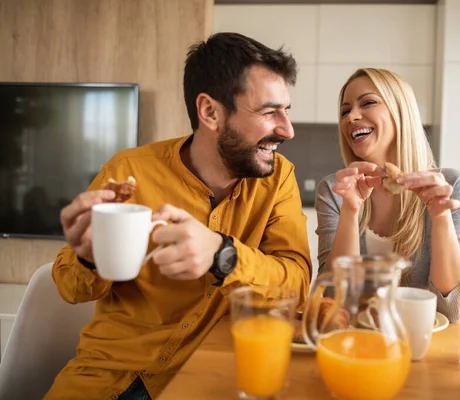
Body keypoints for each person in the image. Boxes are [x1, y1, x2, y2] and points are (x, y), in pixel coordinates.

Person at [45, 32, 312, 399]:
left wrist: (223, 254)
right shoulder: (128, 171)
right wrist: (87, 258)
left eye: (286, 111)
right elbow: (69, 290)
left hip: (210, 380)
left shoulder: (279, 179)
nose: (287, 129)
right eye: (269, 112)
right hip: (106, 376)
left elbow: (296, 285)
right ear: (210, 112)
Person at [314, 68, 460, 323]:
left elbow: (454, 311)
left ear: (401, 111)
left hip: (427, 345)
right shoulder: (334, 191)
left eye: (367, 103)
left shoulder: (450, 184)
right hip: (358, 345)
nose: (351, 117)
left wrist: (441, 217)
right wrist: (350, 211)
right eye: (345, 111)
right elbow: (335, 302)